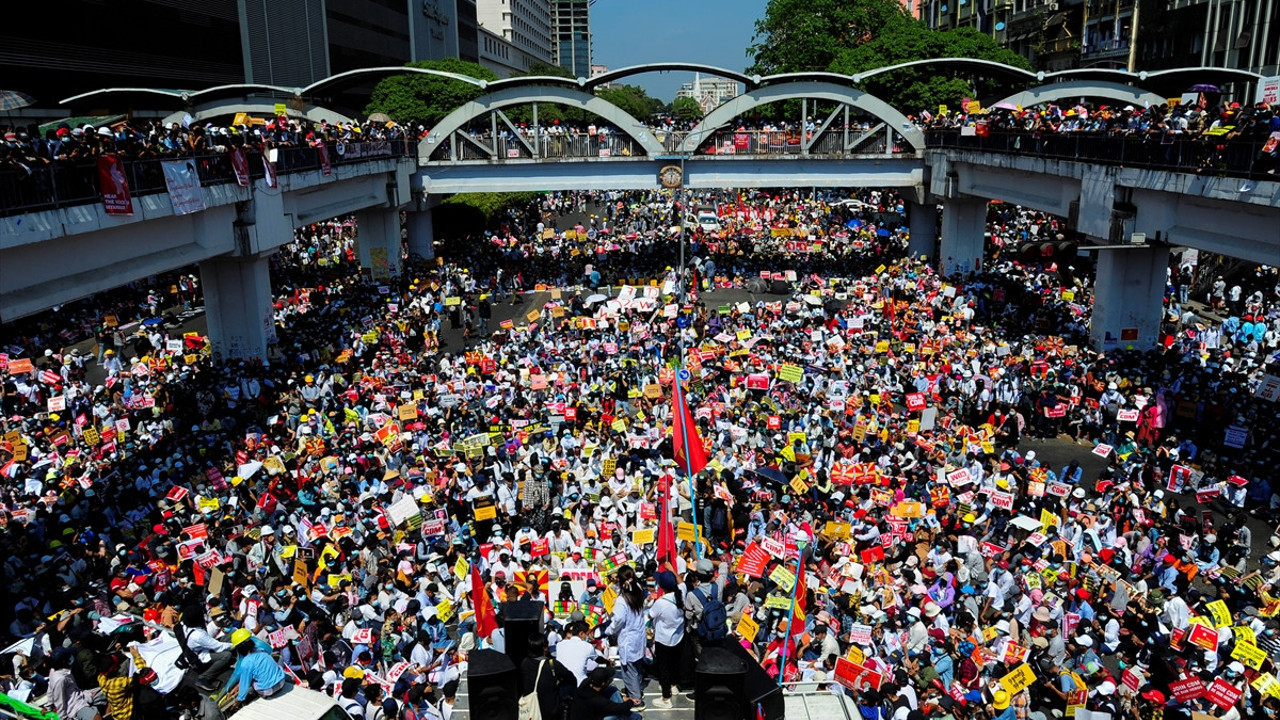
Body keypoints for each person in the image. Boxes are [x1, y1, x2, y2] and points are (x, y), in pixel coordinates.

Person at [220, 627, 288, 709]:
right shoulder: (262, 650)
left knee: (249, 680)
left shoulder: (246, 663)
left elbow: (244, 686)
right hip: (282, 681)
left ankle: (260, 694)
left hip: (269, 690)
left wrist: (238, 701)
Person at [570, 666, 643, 720]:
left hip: (583, 712)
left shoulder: (585, 682)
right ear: (603, 683)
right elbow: (618, 709)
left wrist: (623, 698)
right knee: (619, 714)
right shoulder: (599, 701)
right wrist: (630, 702)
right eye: (609, 679)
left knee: (612, 689)